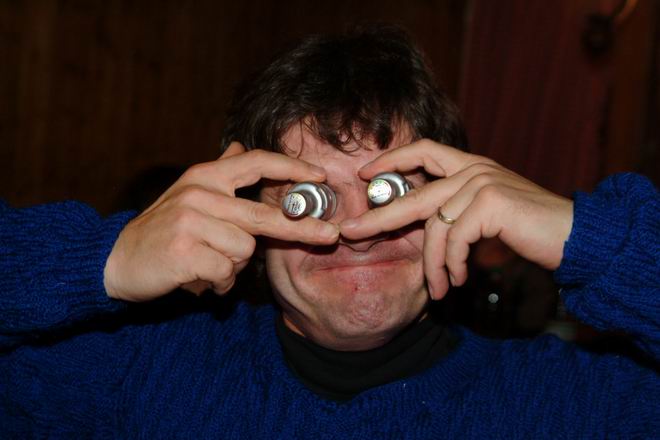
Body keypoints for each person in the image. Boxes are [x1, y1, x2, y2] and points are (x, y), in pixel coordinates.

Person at [1, 25, 658, 439]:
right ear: (245, 224)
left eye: (392, 193)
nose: (356, 233)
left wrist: (596, 240)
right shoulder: (136, 378)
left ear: (461, 206)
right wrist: (102, 259)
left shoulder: (568, 407)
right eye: (306, 201)